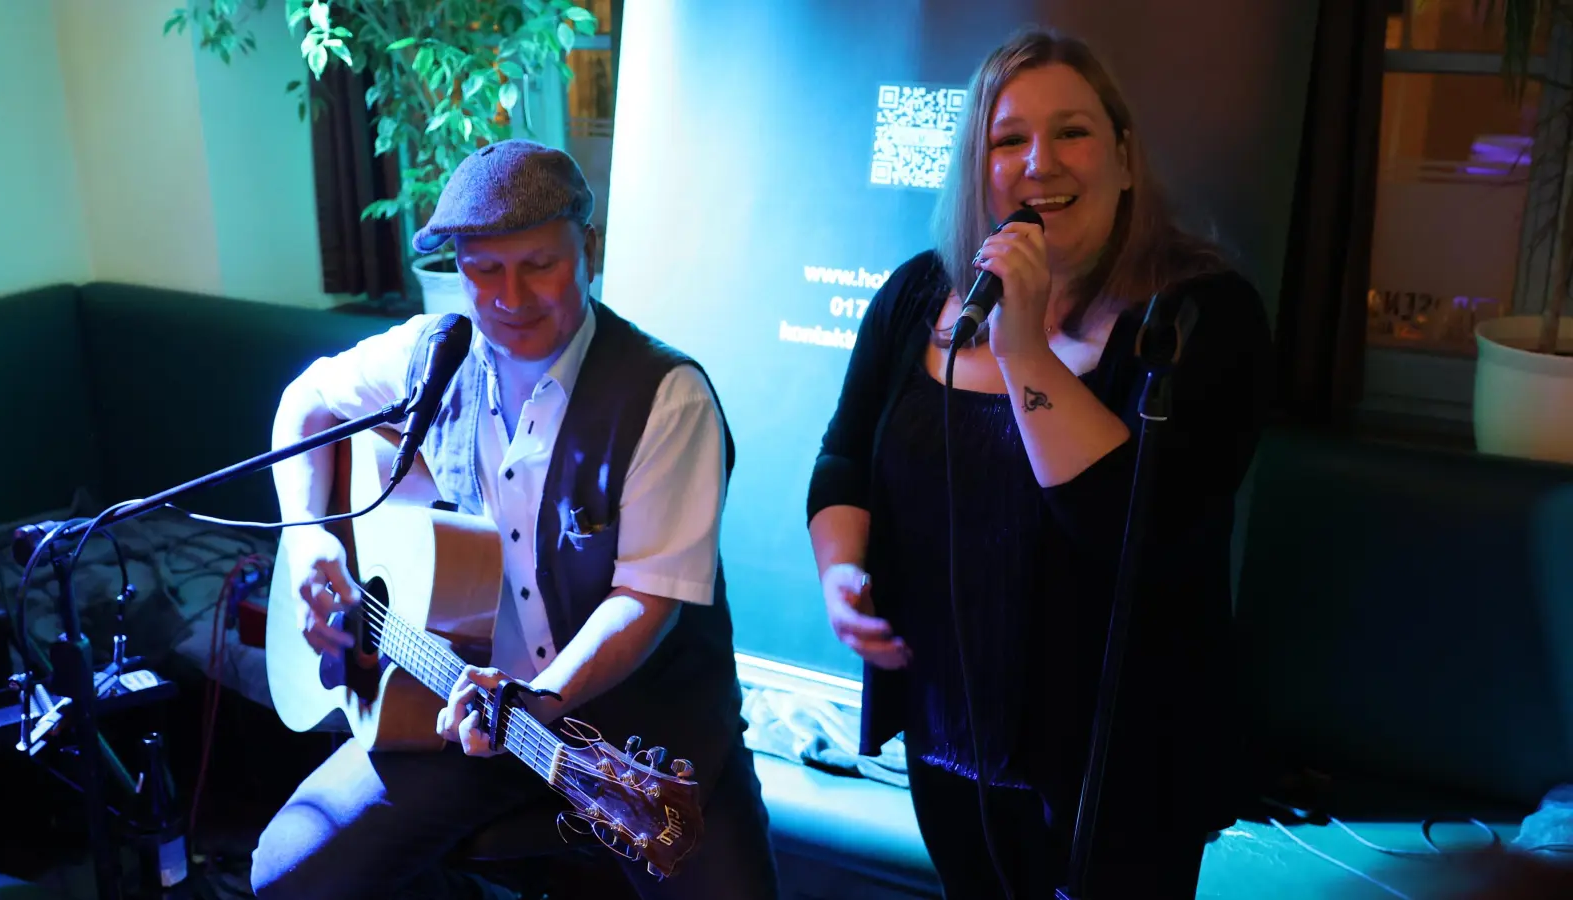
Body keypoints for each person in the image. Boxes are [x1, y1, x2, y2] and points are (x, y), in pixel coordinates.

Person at [806, 27, 1273, 900]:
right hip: (950, 727)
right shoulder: (918, 293)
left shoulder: (1202, 318)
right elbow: (843, 460)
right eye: (1009, 139)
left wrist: (1024, 345)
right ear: (976, 168)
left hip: (1121, 756)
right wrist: (842, 573)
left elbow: (1134, 528)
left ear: (1126, 157)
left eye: (1073, 133)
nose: (1039, 163)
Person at [251, 139, 779, 900]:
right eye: (483, 270)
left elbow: (646, 599)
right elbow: (306, 402)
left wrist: (536, 699)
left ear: (588, 250)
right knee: (290, 873)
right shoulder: (432, 357)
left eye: (540, 265)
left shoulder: (666, 396)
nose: (511, 296)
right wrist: (306, 539)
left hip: (644, 742)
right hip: (459, 713)